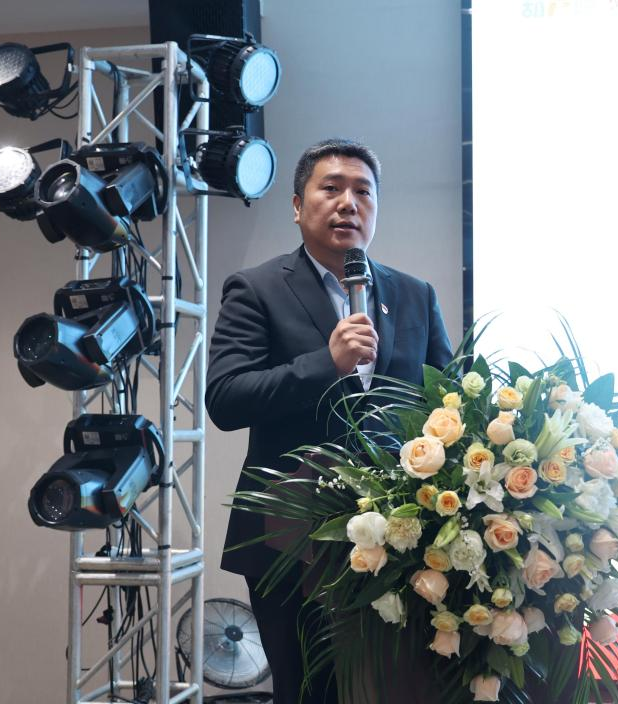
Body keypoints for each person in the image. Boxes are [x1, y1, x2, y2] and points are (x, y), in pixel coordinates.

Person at [205, 138, 453, 704]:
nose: (348, 203)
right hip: (290, 541)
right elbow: (225, 398)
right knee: (308, 691)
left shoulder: (414, 295)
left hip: (403, 540)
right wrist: (326, 363)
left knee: (400, 688)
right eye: (332, 188)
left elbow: (446, 406)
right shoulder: (257, 289)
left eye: (363, 191)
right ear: (298, 206)